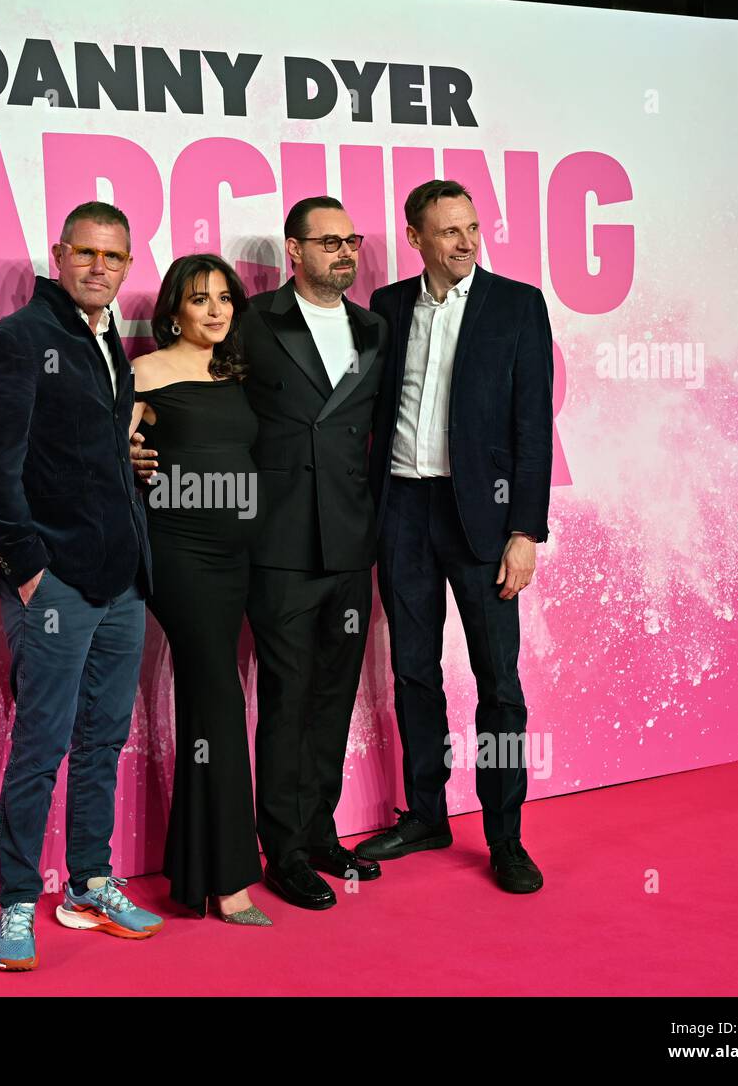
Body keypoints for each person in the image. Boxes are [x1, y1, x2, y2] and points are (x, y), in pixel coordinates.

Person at [137, 197, 388, 910]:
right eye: (329, 240)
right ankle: (280, 849)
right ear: (294, 249)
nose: (345, 252)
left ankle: (318, 832)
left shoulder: (375, 328)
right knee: (286, 695)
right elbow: (189, 407)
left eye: (352, 240)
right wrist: (136, 452)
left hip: (349, 538)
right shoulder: (251, 322)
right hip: (273, 542)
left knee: (335, 695)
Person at [0, 200, 164, 971]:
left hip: (122, 585)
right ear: (59, 254)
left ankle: (88, 882)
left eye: (115, 259)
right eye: (88, 254)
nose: (101, 269)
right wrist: (28, 573)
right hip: (54, 588)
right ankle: (18, 901)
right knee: (41, 746)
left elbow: (92, 453)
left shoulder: (109, 340)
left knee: (104, 740)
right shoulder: (18, 341)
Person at [356, 179, 554, 893]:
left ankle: (505, 837)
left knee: (498, 684)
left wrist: (525, 531)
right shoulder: (387, 308)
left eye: (472, 227)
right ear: (416, 239)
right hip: (403, 510)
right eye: (449, 231)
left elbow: (534, 428)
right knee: (413, 671)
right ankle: (427, 813)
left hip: (484, 518)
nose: (467, 241)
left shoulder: (517, 306)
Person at [130, 254, 270, 926]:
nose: (215, 311)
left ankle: (197, 869)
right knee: (218, 694)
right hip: (180, 555)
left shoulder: (233, 374)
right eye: (198, 299)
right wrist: (127, 454)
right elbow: (100, 456)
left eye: (224, 298)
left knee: (210, 702)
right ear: (173, 310)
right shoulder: (145, 374)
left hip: (237, 557)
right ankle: (231, 880)